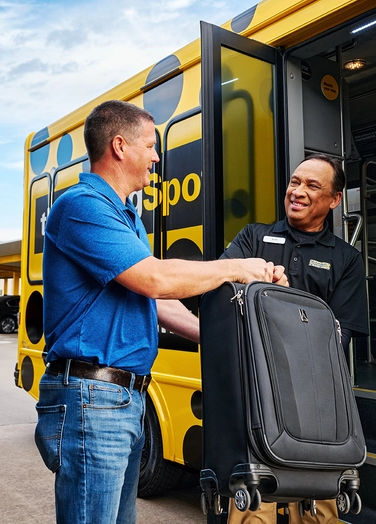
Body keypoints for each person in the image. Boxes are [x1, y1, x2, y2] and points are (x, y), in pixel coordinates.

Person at [34, 99, 277, 524]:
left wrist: (222, 335)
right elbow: (156, 280)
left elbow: (157, 300)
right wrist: (239, 268)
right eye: (151, 146)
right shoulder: (82, 205)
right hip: (93, 398)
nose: (156, 157)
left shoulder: (125, 214)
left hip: (122, 399)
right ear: (120, 146)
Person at [221, 153, 368, 524]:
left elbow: (339, 336)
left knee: (319, 513)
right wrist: (250, 279)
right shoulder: (253, 237)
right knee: (253, 513)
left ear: (334, 200)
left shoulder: (347, 258)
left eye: (312, 186)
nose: (297, 192)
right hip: (254, 398)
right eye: (294, 182)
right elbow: (219, 289)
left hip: (315, 404)